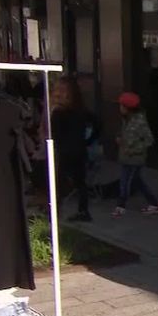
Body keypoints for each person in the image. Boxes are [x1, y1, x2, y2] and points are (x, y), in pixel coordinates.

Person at [51, 76, 100, 221]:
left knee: (58, 182)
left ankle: (57, 211)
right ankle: (83, 211)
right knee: (81, 182)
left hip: (65, 151)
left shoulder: (59, 112)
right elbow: (98, 123)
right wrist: (89, 140)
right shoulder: (81, 110)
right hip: (79, 149)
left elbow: (55, 134)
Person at [113, 92, 158, 216]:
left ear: (128, 108)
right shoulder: (126, 120)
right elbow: (126, 134)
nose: (120, 108)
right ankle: (154, 204)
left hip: (135, 158)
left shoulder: (139, 121)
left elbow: (149, 140)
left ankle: (121, 205)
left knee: (126, 181)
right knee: (136, 181)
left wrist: (134, 149)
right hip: (126, 156)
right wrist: (120, 138)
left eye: (121, 106)